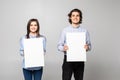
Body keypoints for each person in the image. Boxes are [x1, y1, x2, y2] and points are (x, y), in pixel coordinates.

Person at [57, 9, 91, 80]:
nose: (75, 17)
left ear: (80, 17)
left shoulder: (85, 31)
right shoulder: (65, 30)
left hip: (80, 60)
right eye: (73, 15)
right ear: (70, 17)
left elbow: (90, 46)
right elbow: (59, 46)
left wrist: (87, 47)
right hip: (68, 60)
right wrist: (64, 48)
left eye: (77, 15)